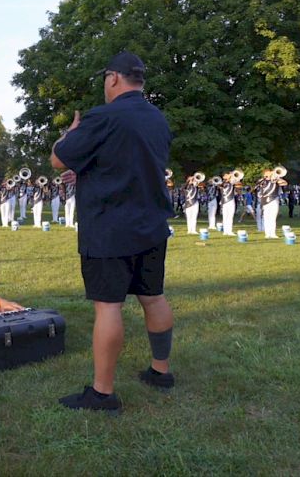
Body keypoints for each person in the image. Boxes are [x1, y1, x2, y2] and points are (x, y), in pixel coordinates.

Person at [51, 50, 175, 413]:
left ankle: (102, 393)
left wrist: (69, 135)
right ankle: (160, 372)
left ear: (113, 78)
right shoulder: (158, 119)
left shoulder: (102, 117)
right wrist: (88, 171)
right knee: (154, 297)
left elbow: (59, 158)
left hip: (109, 230)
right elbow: (130, 164)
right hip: (151, 226)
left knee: (108, 307)